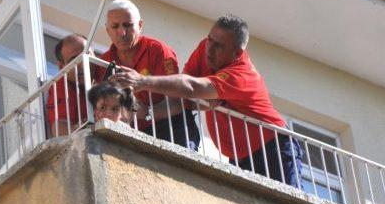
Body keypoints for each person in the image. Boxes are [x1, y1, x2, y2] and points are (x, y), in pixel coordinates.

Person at [109, 15, 303, 188]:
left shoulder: (242, 75)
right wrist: (149, 111)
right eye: (210, 39)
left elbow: (191, 87)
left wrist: (142, 81)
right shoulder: (205, 48)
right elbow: (183, 93)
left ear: (237, 53)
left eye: (219, 46)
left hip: (274, 147)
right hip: (239, 155)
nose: (209, 48)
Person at [100, 0, 200, 150]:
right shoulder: (103, 61)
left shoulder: (158, 50)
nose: (121, 32)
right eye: (115, 26)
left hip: (174, 126)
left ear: (140, 25)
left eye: (127, 25)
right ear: (107, 30)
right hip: (136, 132)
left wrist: (145, 112)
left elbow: (178, 101)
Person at [46, 34, 102, 136]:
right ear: (61, 67)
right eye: (74, 60)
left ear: (95, 56)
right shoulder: (62, 86)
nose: (82, 64)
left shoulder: (105, 70)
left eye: (87, 55)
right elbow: (60, 131)